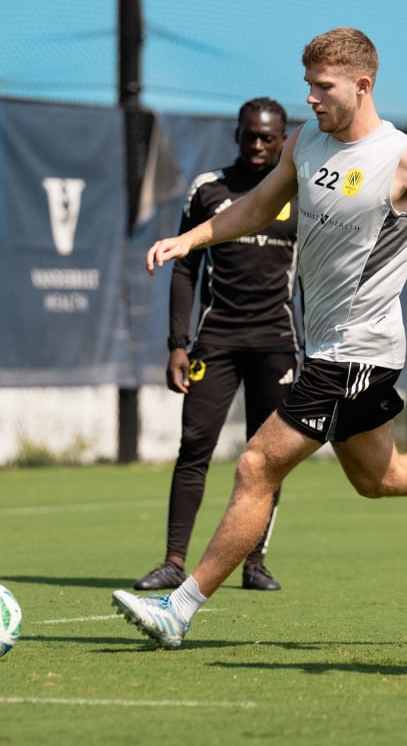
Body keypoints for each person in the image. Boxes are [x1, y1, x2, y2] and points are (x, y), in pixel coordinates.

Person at [112, 26, 407, 649]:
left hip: (356, 352)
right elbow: (255, 208)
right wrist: (188, 240)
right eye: (307, 85)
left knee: (255, 465)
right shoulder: (304, 144)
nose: (311, 98)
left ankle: (181, 608)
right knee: (380, 477)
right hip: (333, 350)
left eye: (322, 86)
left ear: (363, 84)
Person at [133, 97, 299, 594]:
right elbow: (185, 265)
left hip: (277, 342)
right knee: (194, 448)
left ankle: (254, 562)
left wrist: (314, 347)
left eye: (268, 138)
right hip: (217, 340)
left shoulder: (304, 194)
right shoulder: (209, 189)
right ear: (237, 134)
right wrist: (176, 345)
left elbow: (318, 272)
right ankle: (172, 561)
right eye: (249, 135)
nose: (257, 145)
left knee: (268, 457)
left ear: (283, 140)